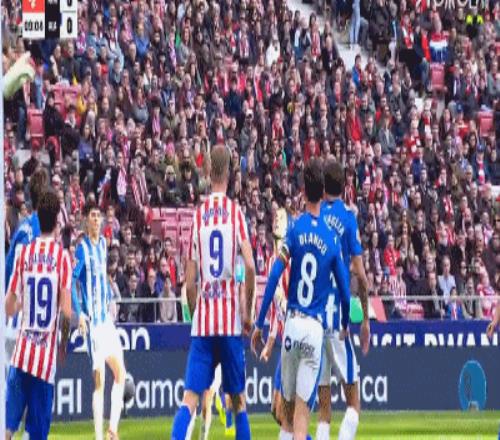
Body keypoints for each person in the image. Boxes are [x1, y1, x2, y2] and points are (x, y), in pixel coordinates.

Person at [252, 158, 351, 440]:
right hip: (314, 330)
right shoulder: (331, 238)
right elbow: (345, 291)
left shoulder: (295, 230)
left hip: (292, 325)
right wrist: (344, 324)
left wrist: (259, 323)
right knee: (302, 416)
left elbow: (274, 276)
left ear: (304, 191)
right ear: (324, 192)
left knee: (285, 416)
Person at [171, 145, 256, 440]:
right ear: (230, 173)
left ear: (208, 172)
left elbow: (189, 280)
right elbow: (250, 266)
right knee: (239, 401)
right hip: (230, 321)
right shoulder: (235, 213)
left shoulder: (199, 216)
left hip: (205, 323)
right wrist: (247, 313)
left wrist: (197, 313)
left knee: (190, 399)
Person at [5, 190, 72, 440]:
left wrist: (22, 304)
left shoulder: (24, 253)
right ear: (56, 222)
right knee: (36, 433)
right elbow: (66, 312)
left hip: (21, 356)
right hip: (44, 363)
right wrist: (63, 345)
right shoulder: (62, 258)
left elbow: (9, 307)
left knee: (7, 429)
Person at [316, 160, 370, 440]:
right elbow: (360, 274)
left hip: (315, 320)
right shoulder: (348, 218)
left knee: (324, 409)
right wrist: (365, 321)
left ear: (323, 186)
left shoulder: (313, 215)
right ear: (344, 186)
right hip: (337, 320)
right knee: (354, 403)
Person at [71, 200, 126, 440]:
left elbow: (102, 277)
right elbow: (72, 281)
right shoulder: (82, 249)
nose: (96, 219)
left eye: (98, 215)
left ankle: (112, 430)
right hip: (93, 323)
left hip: (106, 320)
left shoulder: (103, 244)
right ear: (86, 220)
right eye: (92, 215)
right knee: (100, 380)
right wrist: (80, 314)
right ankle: (98, 436)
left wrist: (109, 298)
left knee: (120, 373)